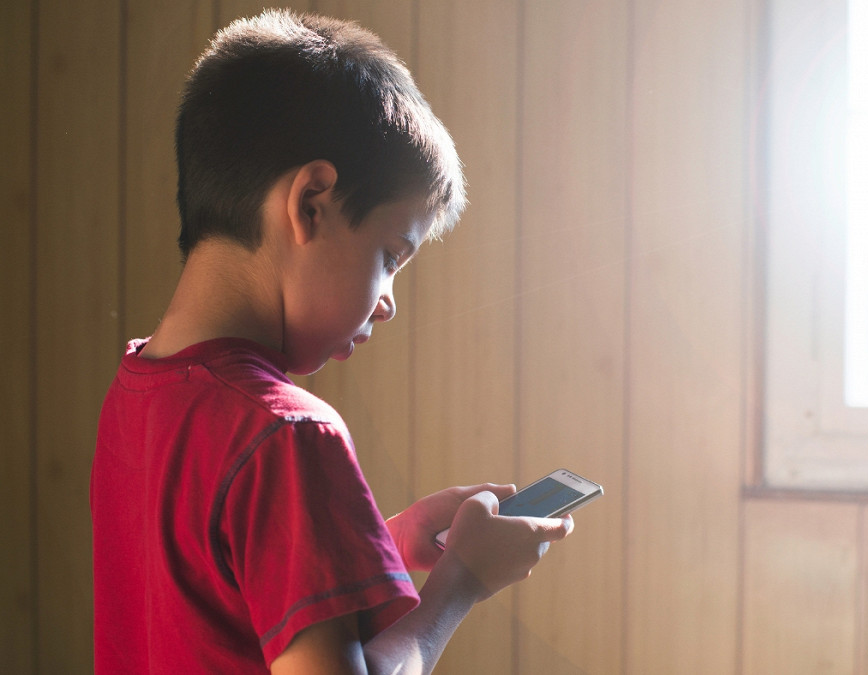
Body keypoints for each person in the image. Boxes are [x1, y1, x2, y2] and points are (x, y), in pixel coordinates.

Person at [91, 10, 572, 674]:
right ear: (311, 203)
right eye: (390, 256)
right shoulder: (288, 434)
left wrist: (382, 544)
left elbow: (215, 605)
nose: (388, 303)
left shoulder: (136, 390)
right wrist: (461, 579)